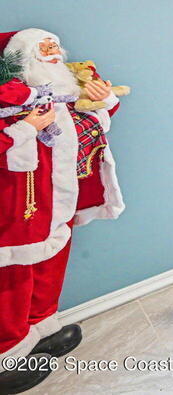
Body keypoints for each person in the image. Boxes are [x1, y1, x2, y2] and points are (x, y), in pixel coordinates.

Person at [0, 29, 125, 393]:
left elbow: (91, 116)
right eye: (44, 48)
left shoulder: (62, 87)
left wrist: (103, 99)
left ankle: (40, 327)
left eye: (54, 46)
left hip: (58, 198)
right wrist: (26, 127)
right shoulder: (11, 97)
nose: (53, 52)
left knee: (51, 263)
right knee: (14, 276)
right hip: (19, 206)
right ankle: (8, 351)